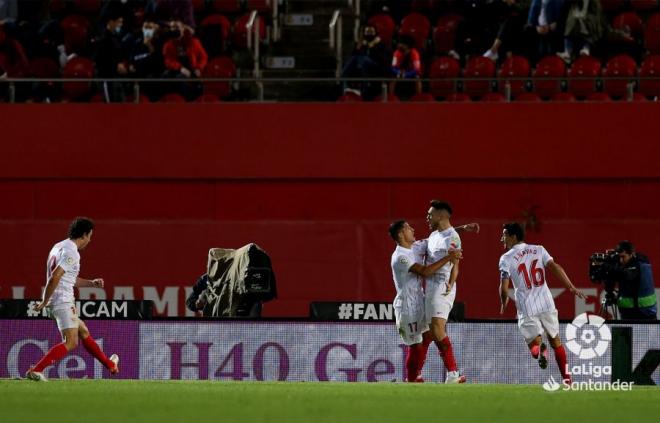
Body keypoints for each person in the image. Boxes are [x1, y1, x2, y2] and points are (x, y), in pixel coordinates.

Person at [26, 217, 119, 382]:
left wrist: (91, 283)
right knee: (71, 342)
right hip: (62, 301)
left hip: (58, 300)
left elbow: (67, 278)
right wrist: (44, 300)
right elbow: (55, 277)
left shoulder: (58, 246)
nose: (89, 241)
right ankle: (37, 369)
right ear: (84, 235)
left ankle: (110, 365)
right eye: (90, 236)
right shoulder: (72, 252)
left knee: (82, 331)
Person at [498, 222, 585, 384]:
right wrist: (571, 287)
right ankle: (568, 381)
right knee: (556, 340)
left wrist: (504, 303)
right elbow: (554, 266)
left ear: (513, 236)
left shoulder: (506, 258)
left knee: (534, 345)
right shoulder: (539, 249)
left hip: (527, 306)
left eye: (504, 235)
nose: (501, 238)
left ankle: (540, 351)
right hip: (546, 302)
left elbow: (504, 288)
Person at [389, 220, 462, 383]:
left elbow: (440, 236)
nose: (413, 229)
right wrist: (449, 257)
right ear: (401, 234)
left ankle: (428, 375)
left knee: (428, 335)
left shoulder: (415, 247)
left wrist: (462, 229)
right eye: (408, 228)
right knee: (415, 346)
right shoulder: (400, 257)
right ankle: (412, 379)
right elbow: (425, 271)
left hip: (419, 302)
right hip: (406, 308)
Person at [424, 200, 467, 383]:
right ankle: (415, 372)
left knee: (437, 328)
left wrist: (450, 283)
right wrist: (464, 227)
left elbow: (456, 265)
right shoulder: (434, 234)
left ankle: (452, 373)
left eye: (430, 214)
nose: (427, 217)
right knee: (427, 331)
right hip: (429, 285)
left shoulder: (453, 237)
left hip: (442, 285)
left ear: (441, 215)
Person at [341, 25, 391, 100]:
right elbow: (352, 57)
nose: (369, 34)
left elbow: (383, 60)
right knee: (354, 58)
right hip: (360, 67)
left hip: (377, 68)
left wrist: (372, 46)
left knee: (364, 59)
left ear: (375, 33)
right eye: (367, 32)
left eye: (371, 32)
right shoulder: (362, 44)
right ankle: (345, 85)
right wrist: (358, 48)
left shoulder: (381, 45)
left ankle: (364, 88)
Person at [611, 241, 657, 320]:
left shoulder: (638, 264)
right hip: (630, 313)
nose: (621, 260)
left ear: (631, 254)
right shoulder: (629, 264)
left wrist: (611, 268)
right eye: (619, 257)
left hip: (643, 314)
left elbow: (629, 275)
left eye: (623, 257)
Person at [94, 8, 129, 102]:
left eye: (121, 22)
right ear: (111, 22)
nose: (120, 25)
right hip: (106, 78)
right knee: (110, 108)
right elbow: (99, 60)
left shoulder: (116, 38)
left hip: (116, 78)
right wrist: (115, 66)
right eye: (118, 22)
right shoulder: (103, 39)